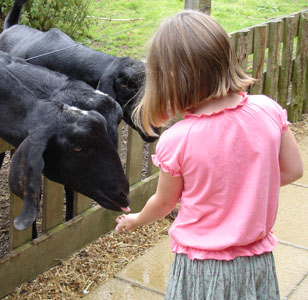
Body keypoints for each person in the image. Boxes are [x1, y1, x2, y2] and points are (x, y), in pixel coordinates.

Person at [115, 10, 303, 300]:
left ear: (171, 78)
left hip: (201, 268)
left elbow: (165, 203)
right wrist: (246, 192)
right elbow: (292, 170)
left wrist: (136, 219)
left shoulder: (178, 139)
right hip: (256, 262)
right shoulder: (267, 109)